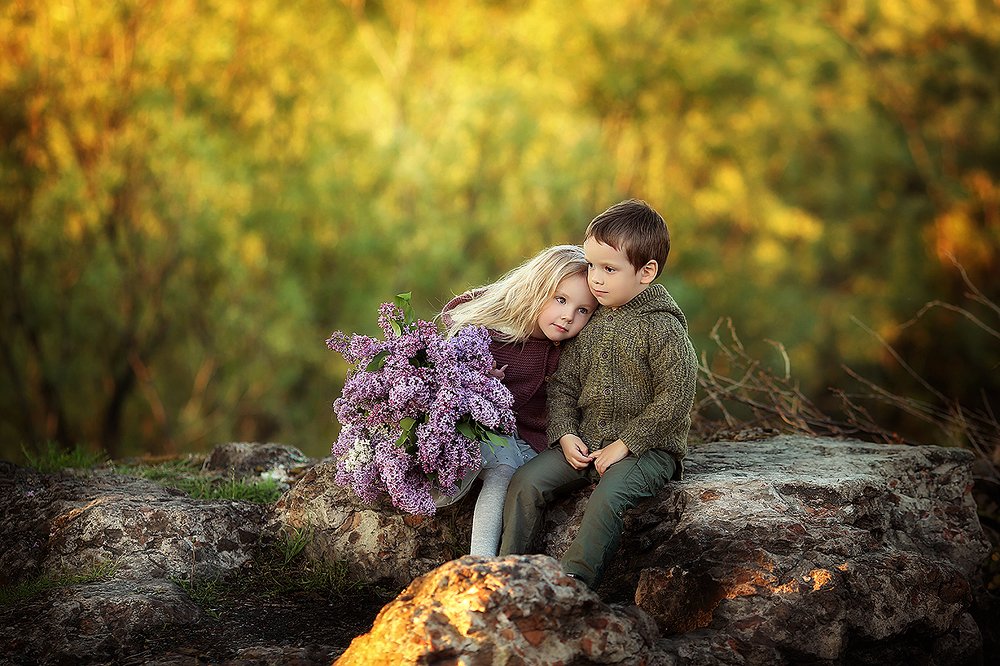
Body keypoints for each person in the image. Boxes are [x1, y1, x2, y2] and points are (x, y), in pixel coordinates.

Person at [498, 199, 698, 589]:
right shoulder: (589, 320)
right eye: (591, 266)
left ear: (646, 272)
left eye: (609, 269)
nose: (596, 279)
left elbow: (675, 399)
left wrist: (626, 444)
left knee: (608, 496)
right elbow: (564, 386)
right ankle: (512, 573)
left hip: (647, 450)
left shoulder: (663, 329)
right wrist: (566, 433)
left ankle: (575, 579)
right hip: (586, 443)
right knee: (526, 482)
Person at [438, 245, 599, 557]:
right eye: (561, 299)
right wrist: (478, 377)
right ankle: (480, 560)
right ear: (537, 289)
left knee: (510, 471)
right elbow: (459, 319)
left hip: (521, 434)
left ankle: (490, 561)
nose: (568, 316)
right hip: (470, 427)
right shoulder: (496, 328)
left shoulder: (568, 349)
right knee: (502, 469)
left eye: (583, 310)